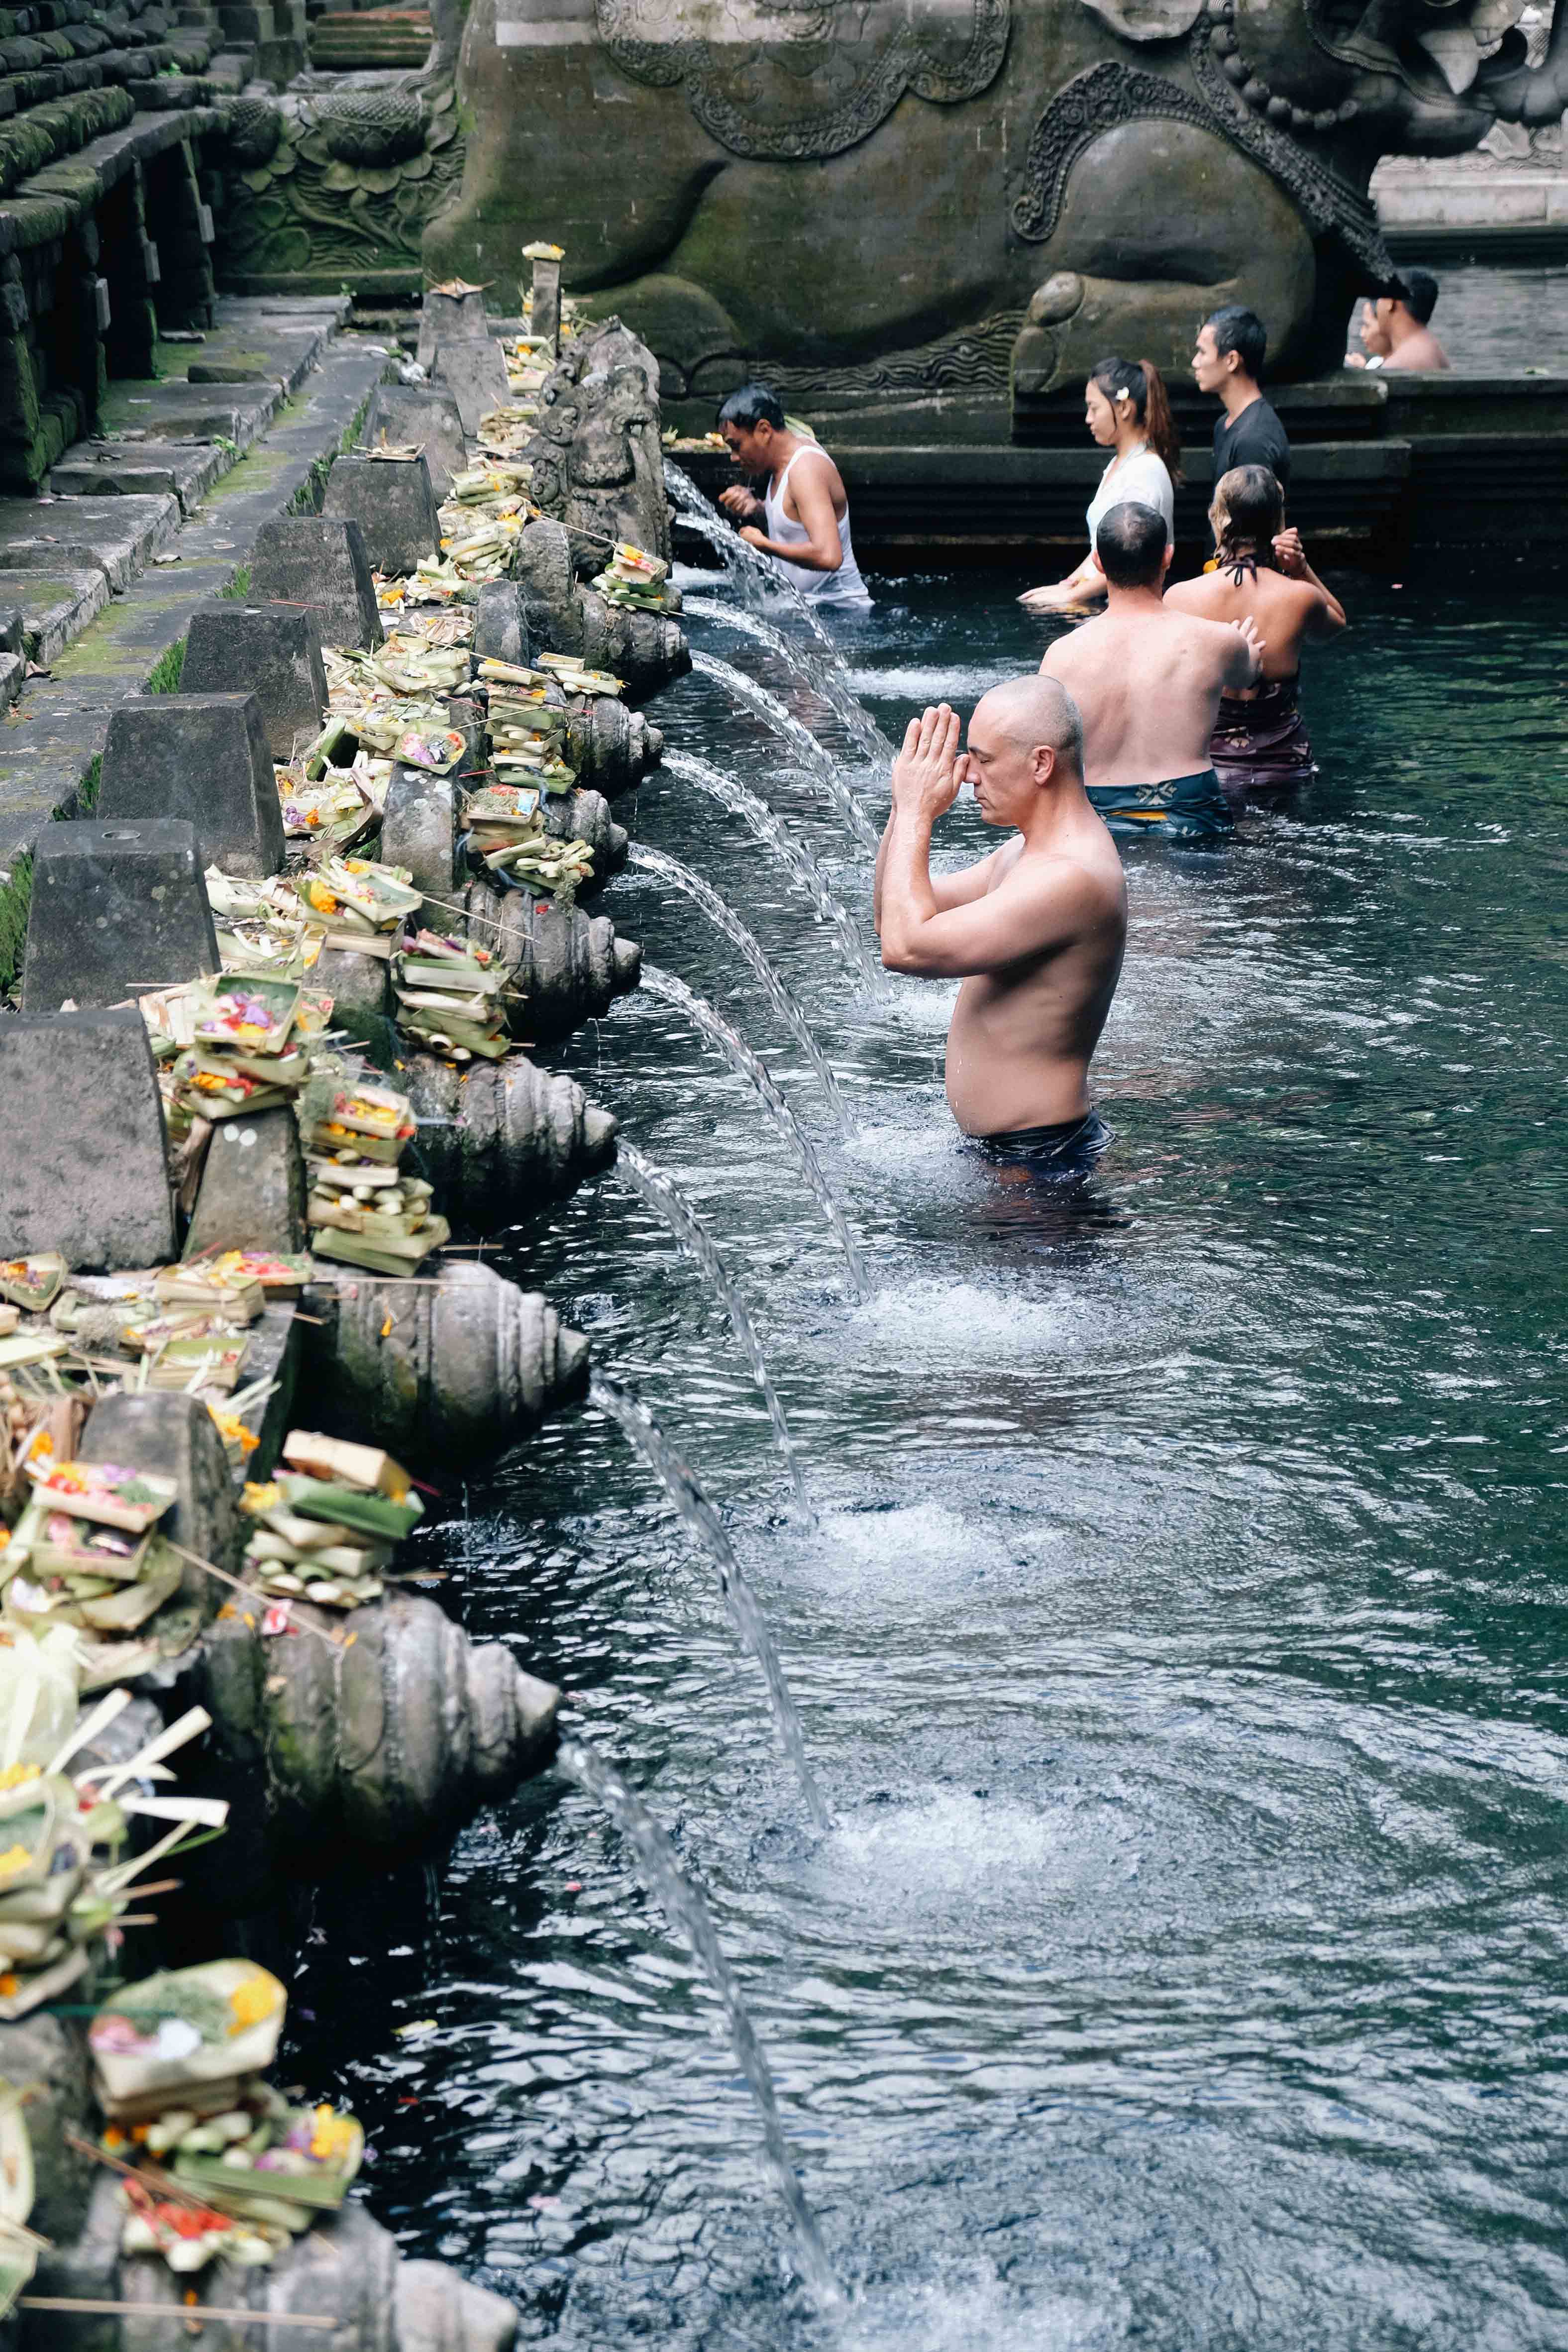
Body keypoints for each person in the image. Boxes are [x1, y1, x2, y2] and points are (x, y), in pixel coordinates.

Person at [873, 679, 1127, 1179]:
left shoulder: (1070, 877)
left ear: (1041, 763)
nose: (968, 776)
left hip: (1041, 1162)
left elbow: (904, 948)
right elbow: (891, 917)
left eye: (983, 760)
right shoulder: (1025, 853)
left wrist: (918, 813)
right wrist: (904, 807)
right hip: (1017, 1155)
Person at [1038, 501, 1262, 843]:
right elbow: (1249, 677)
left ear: (1097, 561)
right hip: (1191, 807)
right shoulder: (1216, 640)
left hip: (1099, 812)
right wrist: (1245, 648)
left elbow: (1048, 753)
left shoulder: (1060, 656)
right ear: (1167, 556)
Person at [1163, 464, 1346, 805]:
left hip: (1208, 771)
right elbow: (1335, 625)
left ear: (1218, 518)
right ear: (1277, 523)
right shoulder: (1300, 597)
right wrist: (1301, 570)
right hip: (1285, 769)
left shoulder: (1180, 598)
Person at [1019, 357, 1181, 615]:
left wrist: (1068, 598)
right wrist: (1067, 585)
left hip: (1128, 610)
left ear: (1124, 408)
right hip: (1106, 602)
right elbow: (1101, 549)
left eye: (1094, 409)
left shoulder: (1144, 472)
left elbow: (1132, 564)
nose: (1088, 418)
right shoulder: (1120, 464)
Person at [714, 383, 872, 609]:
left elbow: (829, 556)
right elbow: (795, 525)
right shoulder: (783, 466)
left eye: (737, 446)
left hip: (840, 611)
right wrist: (756, 509)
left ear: (764, 430)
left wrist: (764, 545)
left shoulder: (805, 469)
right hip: (810, 608)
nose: (734, 458)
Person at [1192, 307, 1291, 490]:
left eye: (1203, 352)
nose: (1195, 362)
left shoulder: (1253, 440)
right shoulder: (1225, 424)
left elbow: (1251, 518)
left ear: (1232, 361)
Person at [1346, 272, 1450, 372]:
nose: (1377, 305)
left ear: (1390, 303)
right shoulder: (1431, 348)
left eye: (1380, 297)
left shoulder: (1400, 363)